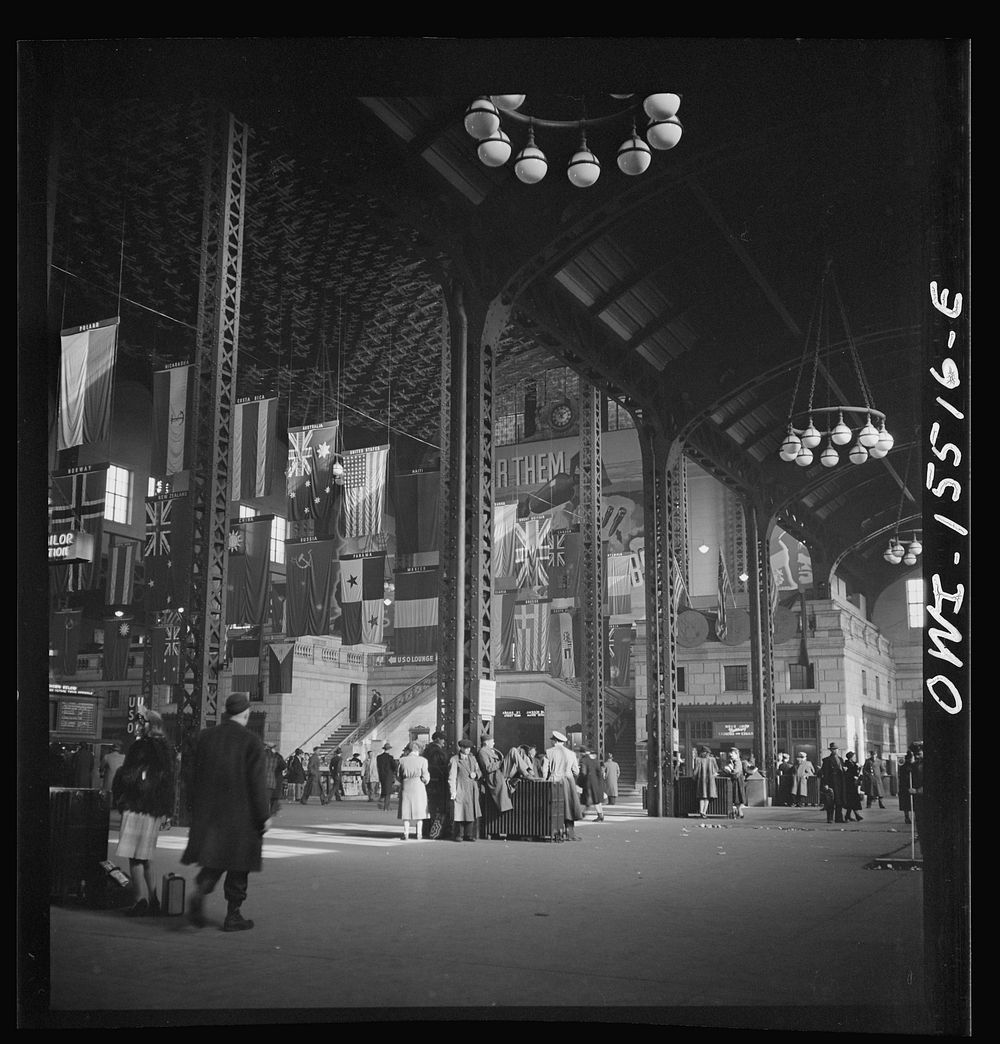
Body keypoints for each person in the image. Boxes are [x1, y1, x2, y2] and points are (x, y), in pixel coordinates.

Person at [181, 692, 271, 932]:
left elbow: (190, 777)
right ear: (246, 714)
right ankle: (234, 915)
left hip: (210, 816)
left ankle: (201, 891)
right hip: (241, 818)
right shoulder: (251, 742)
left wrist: (194, 808)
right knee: (238, 866)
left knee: (214, 860)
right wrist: (264, 816)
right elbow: (257, 784)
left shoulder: (204, 738)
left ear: (226, 713)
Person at [114, 710, 175, 917]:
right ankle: (154, 899)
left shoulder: (140, 746)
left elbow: (128, 775)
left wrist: (123, 779)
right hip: (154, 808)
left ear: (150, 724)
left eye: (142, 722)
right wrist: (167, 812)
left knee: (134, 857)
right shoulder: (166, 748)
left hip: (136, 805)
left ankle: (139, 900)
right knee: (147, 856)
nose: (139, 725)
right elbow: (169, 782)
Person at [545, 731, 583, 841]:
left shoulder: (549, 752)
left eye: (552, 740)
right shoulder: (571, 753)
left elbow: (544, 770)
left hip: (554, 781)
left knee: (554, 807)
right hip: (567, 781)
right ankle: (570, 833)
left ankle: (555, 832)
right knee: (568, 807)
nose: (551, 742)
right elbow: (576, 771)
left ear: (555, 741)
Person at [448, 739, 483, 841]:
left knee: (470, 812)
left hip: (472, 789)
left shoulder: (473, 759)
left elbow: (479, 771)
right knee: (460, 812)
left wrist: (476, 774)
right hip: (461, 789)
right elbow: (452, 776)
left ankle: (469, 834)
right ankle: (459, 835)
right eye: (466, 748)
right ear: (461, 748)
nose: (468, 750)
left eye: (469, 748)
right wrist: (453, 791)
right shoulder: (454, 760)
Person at [396, 741, 431, 840]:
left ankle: (406, 833)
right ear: (418, 750)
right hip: (418, 787)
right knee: (419, 813)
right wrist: (424, 781)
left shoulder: (402, 760)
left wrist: (405, 780)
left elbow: (398, 776)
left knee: (406, 812)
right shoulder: (423, 760)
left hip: (406, 786)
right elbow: (425, 777)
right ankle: (419, 834)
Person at [423, 731, 452, 839]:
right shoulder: (436, 751)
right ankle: (437, 832)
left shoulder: (427, 750)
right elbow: (438, 768)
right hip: (439, 784)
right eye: (443, 739)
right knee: (439, 808)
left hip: (431, 784)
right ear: (437, 739)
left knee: (430, 808)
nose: (444, 741)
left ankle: (428, 830)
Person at [477, 735, 513, 815]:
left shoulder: (491, 750)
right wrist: (501, 763)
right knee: (513, 751)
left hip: (500, 773)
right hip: (495, 776)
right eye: (492, 741)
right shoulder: (482, 752)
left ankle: (527, 772)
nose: (494, 743)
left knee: (518, 751)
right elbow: (488, 768)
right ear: (486, 743)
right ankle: (528, 773)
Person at [820, 742, 847, 824]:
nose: (834, 750)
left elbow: (843, 771)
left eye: (835, 749)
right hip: (831, 782)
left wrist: (844, 770)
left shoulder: (841, 759)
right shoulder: (827, 760)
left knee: (839, 801)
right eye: (833, 749)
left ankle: (839, 818)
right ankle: (830, 818)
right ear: (830, 750)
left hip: (840, 783)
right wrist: (825, 784)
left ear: (838, 750)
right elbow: (825, 773)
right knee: (830, 802)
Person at [899, 743, 924, 826]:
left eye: (919, 754)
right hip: (914, 792)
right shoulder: (914, 765)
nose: (917, 757)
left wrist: (917, 790)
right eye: (915, 754)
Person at [578, 746, 605, 822]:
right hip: (596, 783)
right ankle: (600, 815)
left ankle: (582, 814)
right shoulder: (595, 760)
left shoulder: (583, 760)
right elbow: (599, 772)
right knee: (596, 800)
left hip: (588, 783)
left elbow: (583, 773)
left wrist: (579, 782)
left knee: (587, 799)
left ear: (582, 752)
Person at [692, 745, 717, 818]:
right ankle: (704, 812)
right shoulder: (712, 759)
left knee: (702, 796)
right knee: (707, 797)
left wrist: (694, 777)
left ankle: (701, 811)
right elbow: (716, 769)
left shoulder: (697, 759)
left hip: (701, 780)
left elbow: (695, 771)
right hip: (710, 780)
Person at [722, 746, 747, 818]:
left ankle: (738, 813)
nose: (730, 755)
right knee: (736, 798)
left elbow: (735, 772)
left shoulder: (738, 762)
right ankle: (739, 813)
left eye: (732, 753)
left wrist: (729, 769)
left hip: (737, 782)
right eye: (730, 753)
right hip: (735, 782)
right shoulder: (733, 761)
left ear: (736, 754)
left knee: (736, 798)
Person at [263, 742, 285, 816]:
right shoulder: (275, 757)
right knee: (273, 797)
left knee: (266, 797)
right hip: (272, 779)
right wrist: (276, 754)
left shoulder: (261, 755)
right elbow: (283, 765)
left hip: (263, 779)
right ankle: (272, 811)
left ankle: (265, 812)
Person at [843, 751, 864, 822]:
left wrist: (859, 768)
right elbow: (847, 774)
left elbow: (857, 773)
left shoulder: (855, 764)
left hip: (854, 785)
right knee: (852, 800)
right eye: (854, 757)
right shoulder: (846, 764)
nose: (855, 758)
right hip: (849, 785)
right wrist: (853, 776)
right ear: (850, 758)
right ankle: (856, 815)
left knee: (852, 801)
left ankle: (848, 816)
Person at [377, 743, 397, 812]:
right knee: (388, 792)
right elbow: (394, 767)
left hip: (381, 775)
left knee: (383, 789)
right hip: (389, 775)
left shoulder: (379, 757)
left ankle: (381, 802)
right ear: (389, 749)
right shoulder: (390, 757)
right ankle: (386, 806)